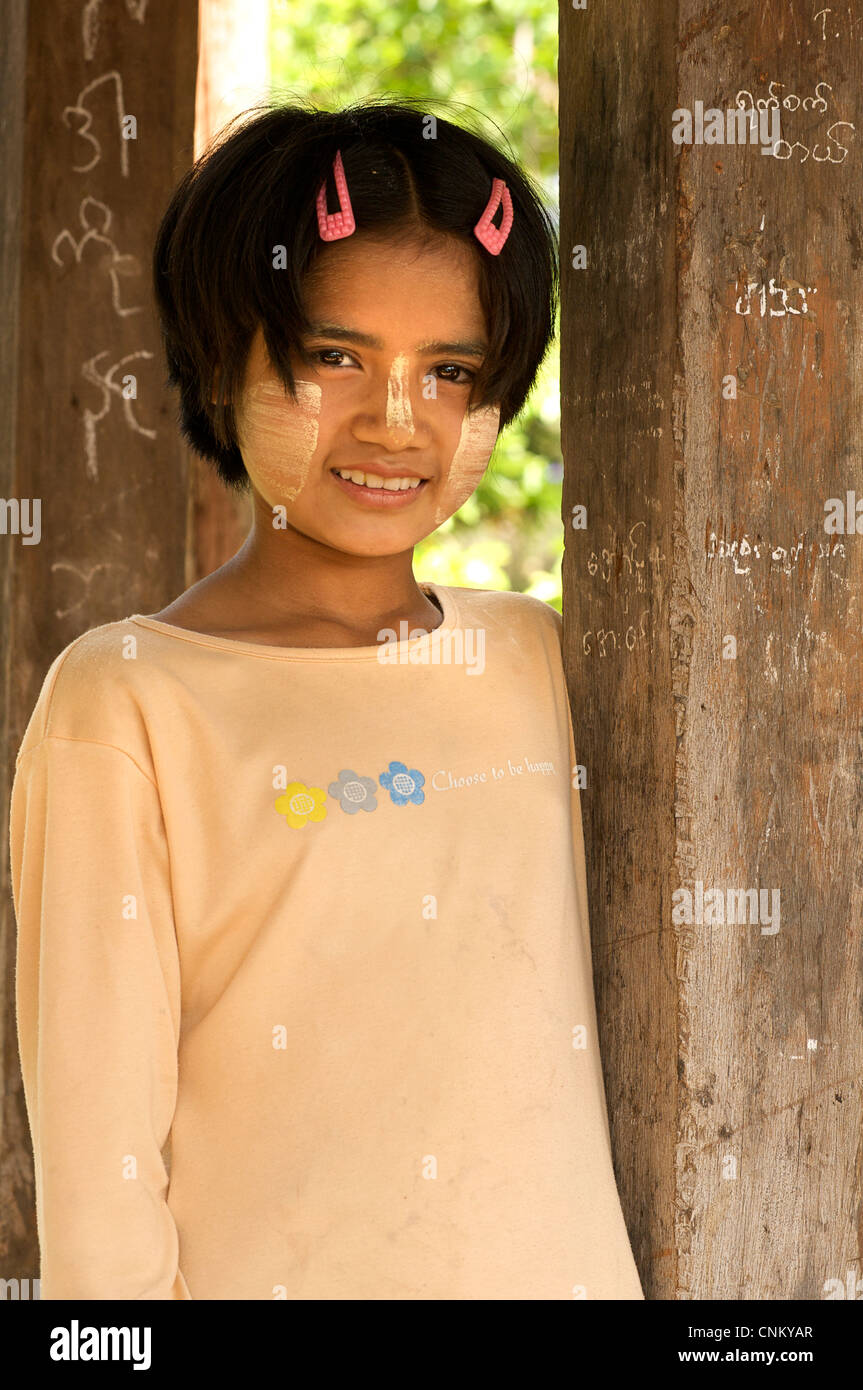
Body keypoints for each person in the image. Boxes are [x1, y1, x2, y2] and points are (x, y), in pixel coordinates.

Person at [10, 98, 644, 1300]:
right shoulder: (128, 705)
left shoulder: (539, 660)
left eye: (448, 371)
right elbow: (99, 1196)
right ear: (221, 356)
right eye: (334, 357)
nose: (394, 421)